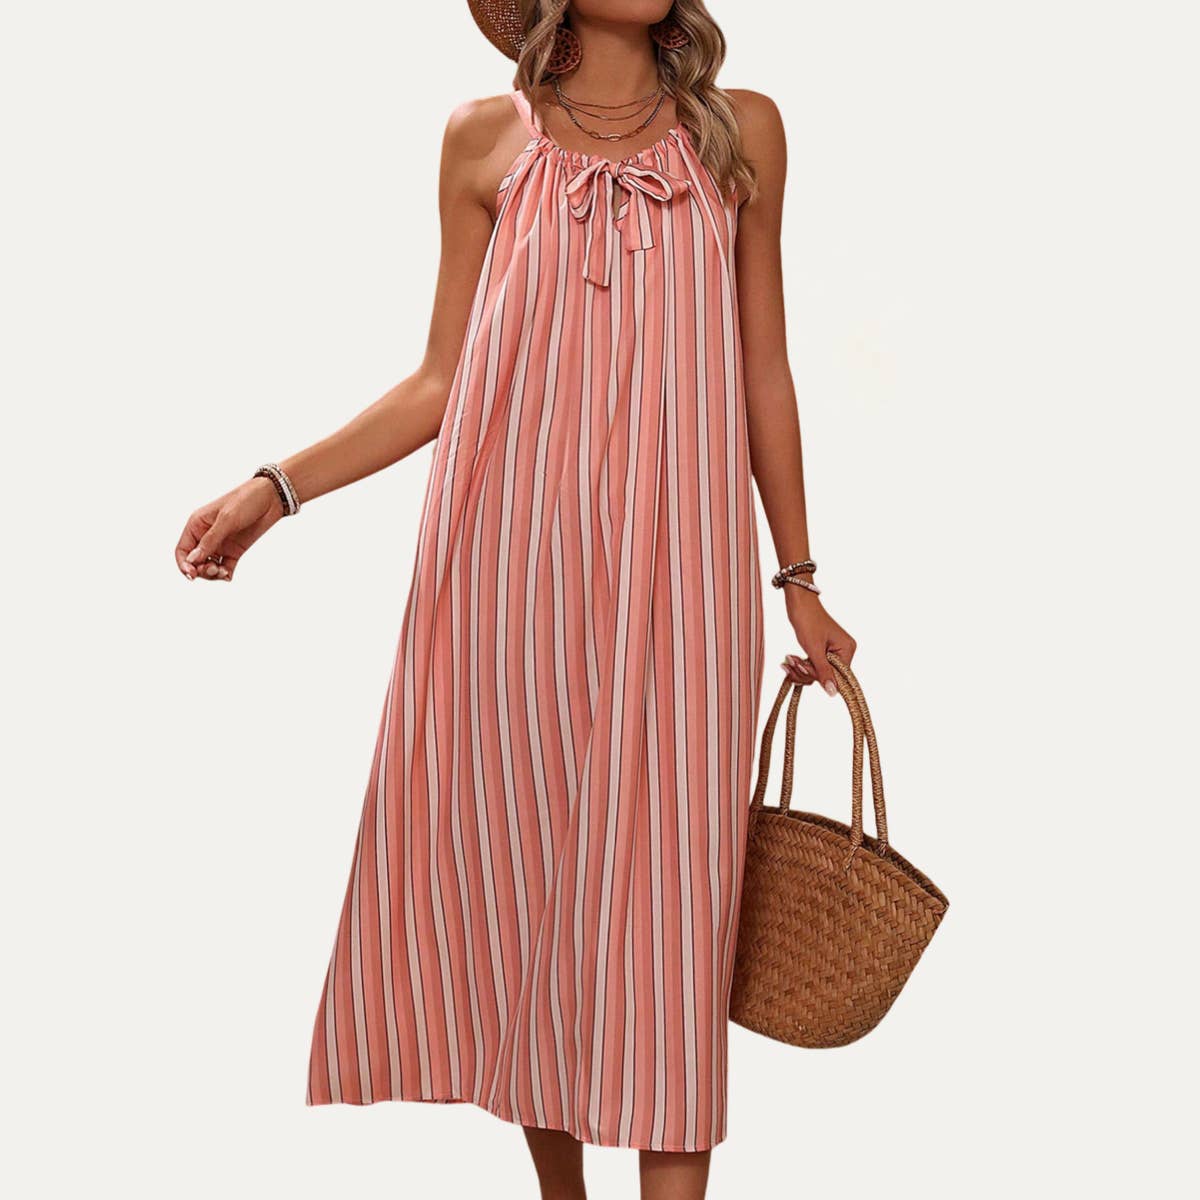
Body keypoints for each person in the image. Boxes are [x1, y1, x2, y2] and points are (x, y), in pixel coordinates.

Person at [174, 3, 856, 1196]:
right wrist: (275, 489)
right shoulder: (483, 141)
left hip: (683, 574)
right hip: (507, 567)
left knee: (670, 912)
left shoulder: (741, 131)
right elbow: (439, 380)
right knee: (524, 884)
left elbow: (763, 372)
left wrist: (797, 579)